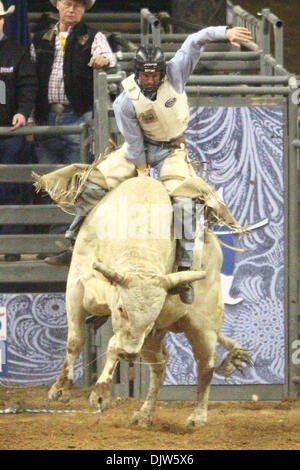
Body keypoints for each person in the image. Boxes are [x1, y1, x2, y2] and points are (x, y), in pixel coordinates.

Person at [35, 25, 252, 304]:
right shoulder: (126, 101)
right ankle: (74, 239)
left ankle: (184, 270)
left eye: (154, 74)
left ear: (162, 71)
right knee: (95, 181)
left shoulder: (176, 72)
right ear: (137, 73)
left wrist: (225, 32)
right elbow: (134, 142)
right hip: (139, 150)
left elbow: (195, 39)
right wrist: (141, 171)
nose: (150, 79)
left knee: (185, 203)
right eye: (145, 74)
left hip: (173, 150)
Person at [30, 0, 116, 165]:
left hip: (77, 115)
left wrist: (102, 59)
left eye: (77, 6)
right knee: (47, 178)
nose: (71, 10)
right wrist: (30, 118)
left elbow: (109, 58)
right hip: (44, 116)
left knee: (76, 174)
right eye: (67, 4)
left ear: (83, 9)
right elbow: (31, 80)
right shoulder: (40, 38)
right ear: (58, 5)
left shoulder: (93, 36)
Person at [0, 1, 37, 261]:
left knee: (10, 187)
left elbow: (28, 85)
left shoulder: (17, 52)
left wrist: (23, 111)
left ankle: (11, 245)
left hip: (8, 134)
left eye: (1, 18)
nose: (0, 22)